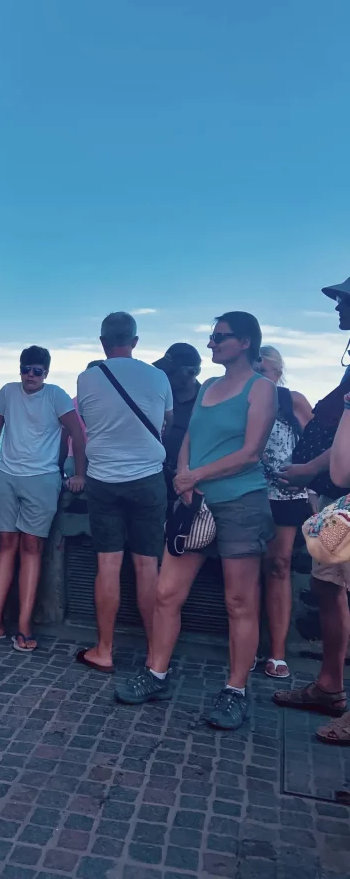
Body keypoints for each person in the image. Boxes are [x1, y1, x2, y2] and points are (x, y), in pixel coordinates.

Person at [115, 312, 277, 730]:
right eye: (212, 336)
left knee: (239, 602)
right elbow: (189, 437)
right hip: (194, 503)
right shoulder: (207, 386)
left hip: (241, 502)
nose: (212, 343)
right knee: (166, 593)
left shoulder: (262, 389)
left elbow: (251, 452)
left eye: (220, 337)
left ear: (244, 342)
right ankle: (156, 674)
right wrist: (183, 477)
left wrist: (195, 476)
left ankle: (236, 690)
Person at [0, 346, 86, 652]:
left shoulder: (56, 396)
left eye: (37, 370)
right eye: (25, 369)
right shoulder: (7, 392)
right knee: (6, 545)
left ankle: (25, 624)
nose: (30, 375)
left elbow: (77, 434)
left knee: (32, 548)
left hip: (42, 480)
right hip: (8, 477)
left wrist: (79, 473)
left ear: (46, 372)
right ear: (19, 369)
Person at [273, 276, 350, 743]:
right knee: (327, 587)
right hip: (336, 504)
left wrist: (307, 471)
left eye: (343, 300)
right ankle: (329, 685)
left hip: (342, 496)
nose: (337, 308)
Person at [75, 313, 174, 672]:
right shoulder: (158, 376)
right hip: (148, 478)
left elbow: (87, 420)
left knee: (108, 565)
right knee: (148, 566)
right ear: (135, 340)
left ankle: (104, 650)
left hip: (103, 479)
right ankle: (153, 654)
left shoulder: (87, 378)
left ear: (102, 341)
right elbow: (168, 421)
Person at [256, 346, 313, 679]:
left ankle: (277, 652)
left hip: (286, 495)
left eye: (264, 370)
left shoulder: (293, 400)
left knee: (278, 566)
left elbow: (318, 443)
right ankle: (245, 644)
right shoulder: (241, 400)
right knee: (244, 569)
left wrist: (306, 476)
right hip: (246, 492)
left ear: (278, 370)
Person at [153, 343, 203, 505]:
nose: (166, 376)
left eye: (171, 372)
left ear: (192, 372)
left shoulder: (207, 401)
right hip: (156, 480)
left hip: (192, 483)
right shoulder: (159, 398)